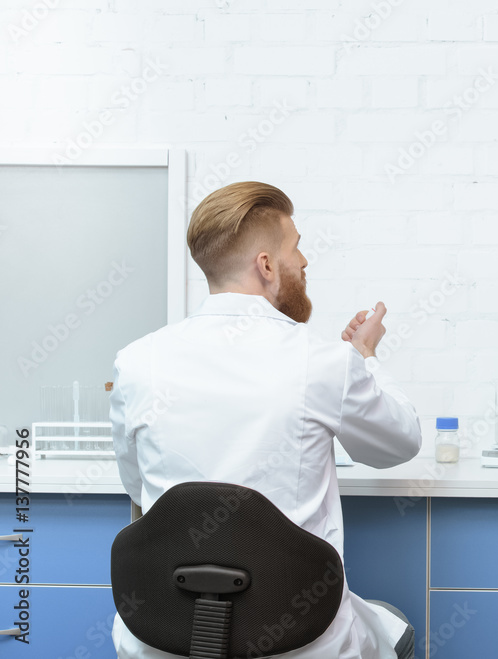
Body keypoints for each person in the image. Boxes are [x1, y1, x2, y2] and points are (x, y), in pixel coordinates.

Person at [109, 181, 421, 659]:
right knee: (396, 628)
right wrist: (365, 357)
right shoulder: (325, 363)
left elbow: (136, 486)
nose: (305, 262)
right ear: (267, 265)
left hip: (165, 637)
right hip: (301, 643)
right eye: (296, 248)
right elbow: (399, 443)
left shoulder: (136, 362)